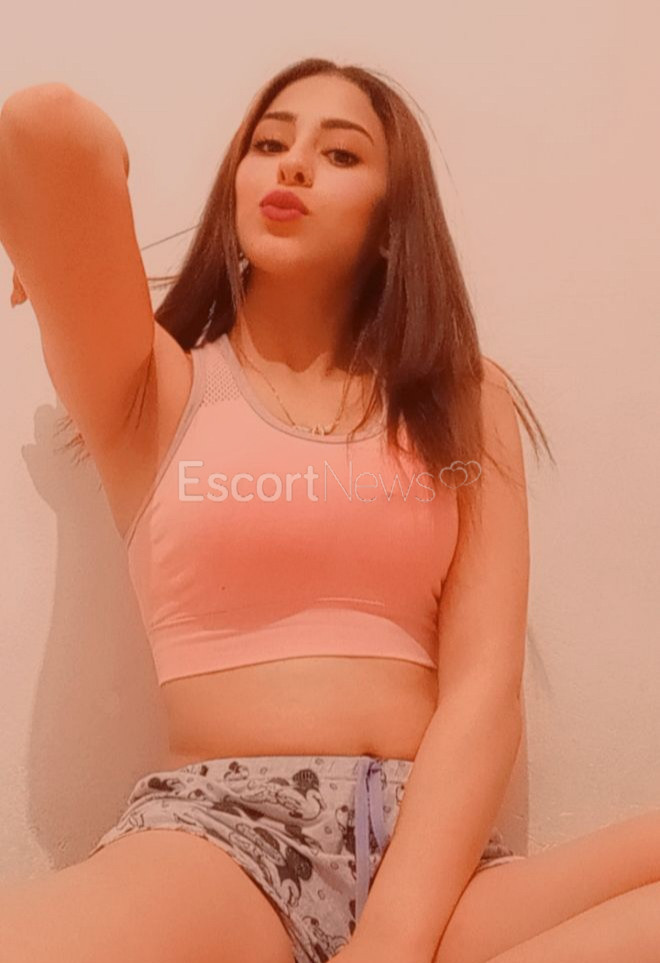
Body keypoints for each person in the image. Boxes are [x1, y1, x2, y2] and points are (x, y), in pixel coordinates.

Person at [2, 57, 659, 963]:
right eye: (267, 144)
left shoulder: (465, 401)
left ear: (392, 224)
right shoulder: (156, 386)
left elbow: (483, 689)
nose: (295, 164)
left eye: (341, 153)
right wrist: (61, 232)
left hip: (433, 862)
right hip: (224, 837)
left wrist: (392, 937)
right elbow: (40, 129)